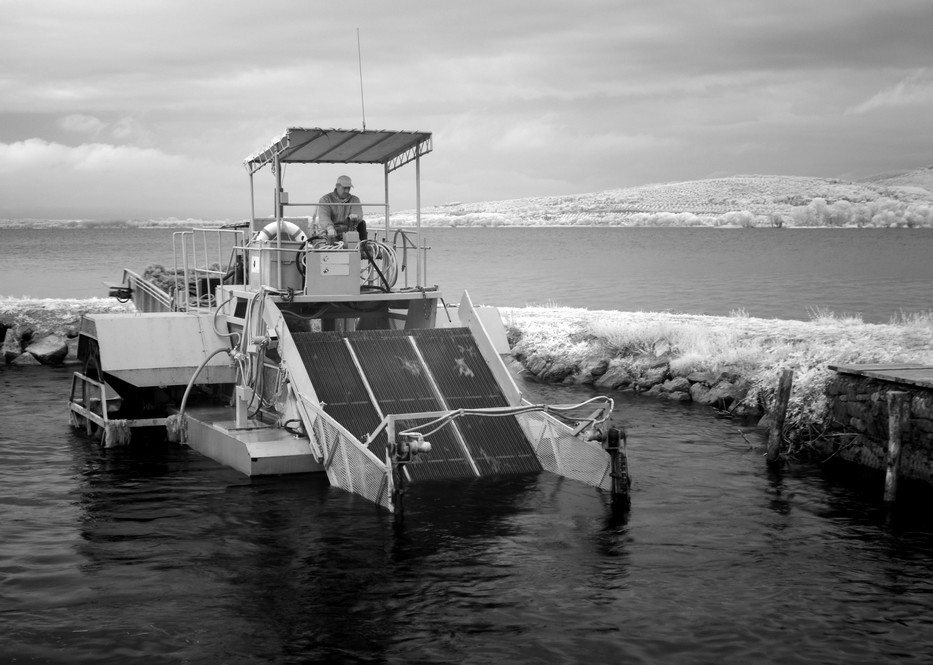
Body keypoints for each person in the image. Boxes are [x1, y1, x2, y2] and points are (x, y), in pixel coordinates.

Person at [317, 175, 366, 242]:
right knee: (327, 241)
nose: (347, 191)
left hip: (349, 232)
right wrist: (329, 228)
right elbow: (324, 216)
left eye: (349, 188)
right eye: (345, 188)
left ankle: (363, 246)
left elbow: (358, 212)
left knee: (362, 224)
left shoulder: (355, 200)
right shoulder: (325, 200)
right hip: (331, 232)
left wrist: (356, 216)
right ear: (337, 186)